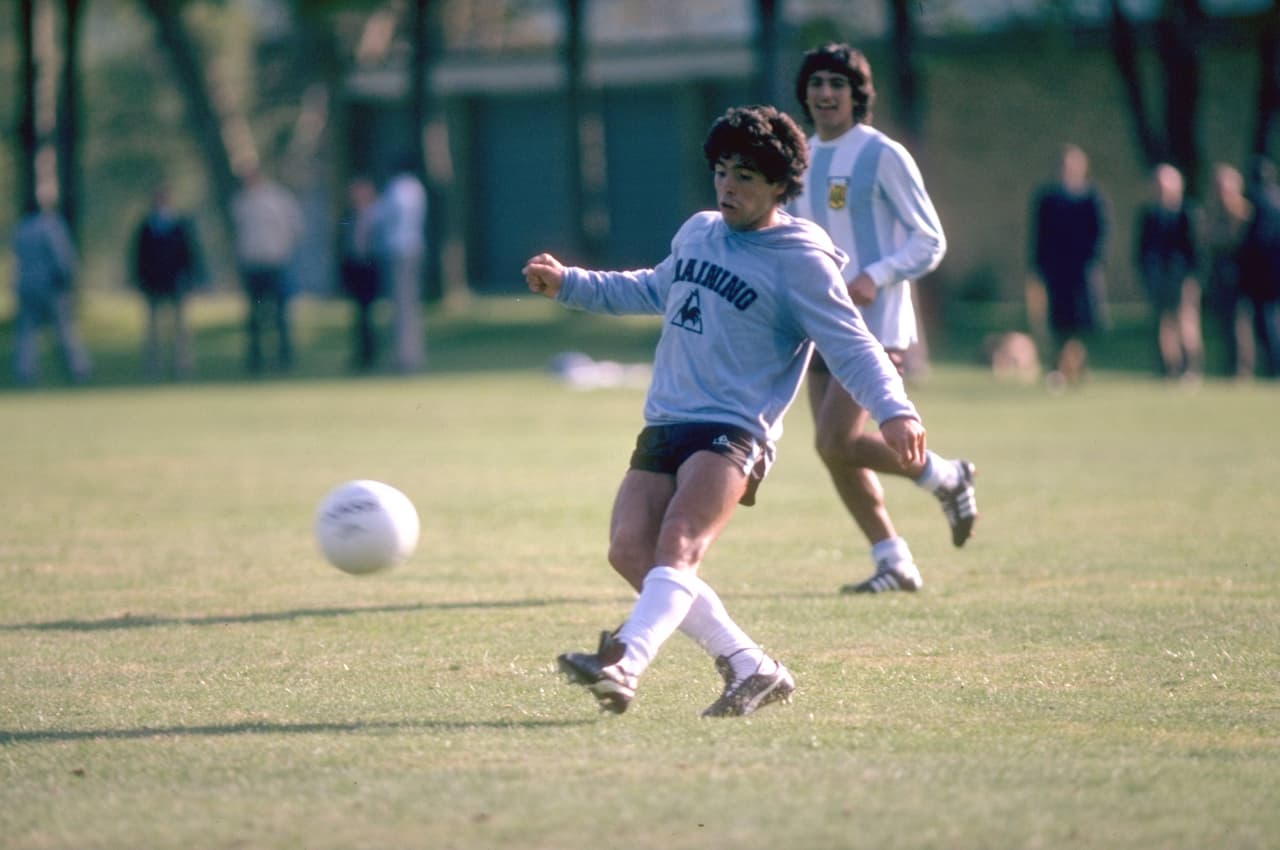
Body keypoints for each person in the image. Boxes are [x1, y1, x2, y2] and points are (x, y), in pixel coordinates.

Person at [523, 105, 928, 717]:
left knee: (680, 542)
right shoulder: (698, 231)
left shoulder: (801, 260)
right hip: (667, 419)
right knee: (629, 552)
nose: (728, 187)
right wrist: (570, 283)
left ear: (778, 185)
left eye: (744, 176)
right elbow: (651, 288)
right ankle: (750, 665)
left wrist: (895, 410)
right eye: (721, 172)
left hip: (734, 429)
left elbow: (852, 345)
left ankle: (624, 663)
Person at [789, 42, 977, 595]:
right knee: (834, 451)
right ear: (805, 92)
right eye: (817, 82)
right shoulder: (797, 156)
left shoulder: (882, 154)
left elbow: (930, 239)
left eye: (837, 84)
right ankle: (893, 560)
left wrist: (877, 272)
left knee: (834, 440)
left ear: (856, 95)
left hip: (874, 326)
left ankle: (946, 475)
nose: (826, 93)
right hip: (816, 324)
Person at [1027, 143, 1110, 388]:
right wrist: (1038, 266)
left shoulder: (1092, 198)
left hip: (1082, 269)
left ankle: (1070, 366)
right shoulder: (1048, 199)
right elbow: (1039, 235)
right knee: (1059, 321)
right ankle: (1061, 367)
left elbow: (1101, 232)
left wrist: (1091, 260)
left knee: (1080, 322)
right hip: (1056, 270)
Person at [10, 200, 92, 386]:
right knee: (64, 329)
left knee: (27, 332)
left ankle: (25, 371)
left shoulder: (21, 228)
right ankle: (78, 368)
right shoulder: (51, 226)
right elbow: (62, 255)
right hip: (50, 285)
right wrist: (68, 277)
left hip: (26, 284)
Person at [231, 166, 303, 374]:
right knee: (254, 316)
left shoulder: (278, 198)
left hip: (275, 262)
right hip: (252, 264)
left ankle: (284, 357)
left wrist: (282, 246)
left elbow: (295, 226)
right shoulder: (240, 201)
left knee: (280, 313)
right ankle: (256, 359)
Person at [1135, 163, 1203, 381]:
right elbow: (1142, 247)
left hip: (1181, 275)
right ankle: (1165, 368)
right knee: (1160, 324)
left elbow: (1195, 248)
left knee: (1185, 322)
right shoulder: (1148, 214)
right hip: (1157, 275)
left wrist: (1191, 275)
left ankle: (1190, 368)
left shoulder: (1188, 213)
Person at [130, 183, 202, 379]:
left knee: (180, 329)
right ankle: (153, 368)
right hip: (153, 282)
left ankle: (182, 366)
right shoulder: (147, 226)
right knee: (153, 330)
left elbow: (188, 254)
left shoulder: (179, 225)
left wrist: (189, 278)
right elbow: (139, 257)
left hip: (176, 281)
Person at [1201, 163, 1254, 379]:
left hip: (1240, 274)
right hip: (1218, 274)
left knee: (1240, 323)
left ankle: (1243, 368)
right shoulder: (1212, 212)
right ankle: (1229, 365)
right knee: (1223, 321)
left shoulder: (1244, 212)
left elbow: (1238, 242)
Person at [375, 158, 427, 373]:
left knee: (402, 307)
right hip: (413, 248)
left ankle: (405, 357)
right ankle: (410, 354)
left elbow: (383, 216)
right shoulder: (417, 188)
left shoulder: (397, 188)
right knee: (409, 305)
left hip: (398, 250)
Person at [1239, 155, 1280, 378]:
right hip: (1275, 269)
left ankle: (1273, 365)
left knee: (1266, 320)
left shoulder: (1254, 201)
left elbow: (1253, 238)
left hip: (1260, 271)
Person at [338, 176, 383, 372]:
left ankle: (370, 354)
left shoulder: (377, 214)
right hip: (355, 267)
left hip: (370, 266)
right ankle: (363, 353)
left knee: (368, 313)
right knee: (360, 314)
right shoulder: (351, 215)